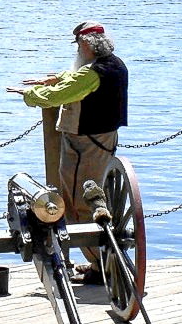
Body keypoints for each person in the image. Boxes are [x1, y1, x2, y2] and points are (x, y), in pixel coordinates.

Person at [7, 21, 128, 285]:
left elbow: (59, 96)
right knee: (96, 198)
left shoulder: (92, 73)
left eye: (79, 45)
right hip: (104, 141)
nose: (77, 50)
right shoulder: (115, 64)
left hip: (84, 146)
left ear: (86, 45)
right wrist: (57, 78)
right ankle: (100, 261)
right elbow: (76, 79)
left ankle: (102, 266)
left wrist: (29, 94)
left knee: (78, 203)